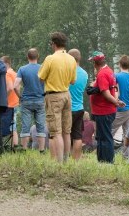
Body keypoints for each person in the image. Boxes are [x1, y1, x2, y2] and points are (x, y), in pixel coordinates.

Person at [37, 32, 76, 163]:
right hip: (67, 95)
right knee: (67, 131)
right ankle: (66, 160)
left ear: (53, 44)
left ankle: (59, 163)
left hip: (54, 96)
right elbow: (73, 81)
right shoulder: (71, 59)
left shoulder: (50, 59)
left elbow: (41, 77)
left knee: (56, 131)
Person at [86, 50, 119, 163]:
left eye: (93, 62)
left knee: (105, 137)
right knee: (101, 137)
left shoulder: (102, 74)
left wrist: (116, 102)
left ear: (95, 63)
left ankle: (108, 161)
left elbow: (105, 93)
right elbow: (112, 88)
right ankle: (101, 160)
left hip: (103, 111)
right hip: (103, 110)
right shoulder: (109, 71)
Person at [14, 48, 47, 151]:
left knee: (25, 126)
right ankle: (41, 150)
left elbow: (15, 86)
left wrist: (20, 97)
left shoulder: (22, 69)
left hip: (26, 101)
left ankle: (24, 149)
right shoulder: (43, 68)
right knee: (41, 126)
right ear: (38, 57)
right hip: (40, 100)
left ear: (27, 57)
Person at [68, 49, 89, 161]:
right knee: (77, 136)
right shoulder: (85, 74)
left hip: (68, 108)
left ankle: (65, 158)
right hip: (80, 107)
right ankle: (76, 159)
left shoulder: (67, 72)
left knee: (66, 134)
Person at [1, 55, 20, 147]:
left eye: (2, 64)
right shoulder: (15, 73)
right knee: (13, 126)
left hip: (8, 104)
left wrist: (3, 98)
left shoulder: (7, 73)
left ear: (7, 63)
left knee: (7, 126)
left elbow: (10, 88)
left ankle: (13, 145)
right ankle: (14, 145)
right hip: (15, 103)